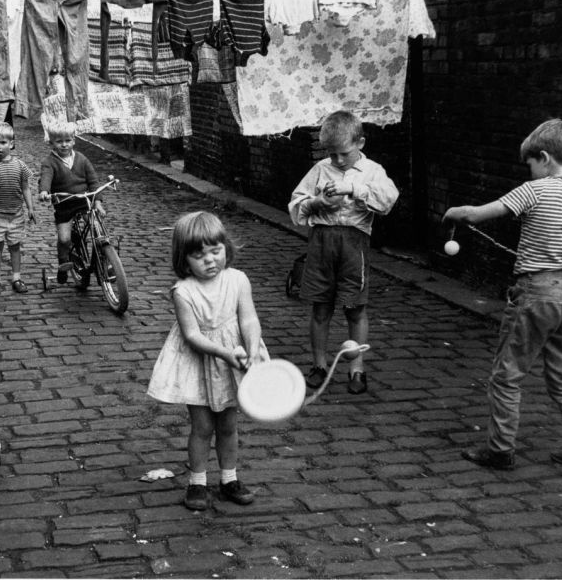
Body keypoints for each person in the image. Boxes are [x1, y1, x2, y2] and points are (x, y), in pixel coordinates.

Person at [443, 119, 562, 475]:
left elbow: (476, 214)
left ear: (544, 158)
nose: (530, 172)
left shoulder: (534, 191)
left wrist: (454, 213)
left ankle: (500, 450)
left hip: (536, 293)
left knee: (507, 374)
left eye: (530, 164)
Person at [147, 211, 268, 510]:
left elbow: (249, 318)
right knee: (202, 426)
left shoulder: (238, 280)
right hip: (200, 363)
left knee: (228, 423)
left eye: (216, 251)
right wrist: (226, 353)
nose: (210, 260)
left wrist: (251, 348)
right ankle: (197, 482)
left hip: (234, 361)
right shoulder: (183, 292)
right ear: (184, 258)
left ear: (226, 247)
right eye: (199, 255)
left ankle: (229, 479)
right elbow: (192, 336)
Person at [287, 110, 399, 395]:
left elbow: (387, 200)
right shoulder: (320, 169)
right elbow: (296, 203)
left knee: (355, 308)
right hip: (321, 242)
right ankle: (319, 364)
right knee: (320, 306)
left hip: (353, 243)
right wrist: (317, 203)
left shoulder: (373, 170)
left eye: (344, 154)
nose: (337, 160)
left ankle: (357, 367)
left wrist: (354, 188)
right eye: (332, 154)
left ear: (360, 142)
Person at [37, 120, 104, 285]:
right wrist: (44, 191)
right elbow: (46, 177)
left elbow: (93, 181)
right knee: (65, 239)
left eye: (68, 140)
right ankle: (63, 263)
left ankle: (105, 258)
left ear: (74, 140)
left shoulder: (81, 158)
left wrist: (98, 202)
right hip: (65, 205)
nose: (64, 145)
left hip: (84, 202)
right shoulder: (49, 162)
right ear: (51, 142)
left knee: (98, 229)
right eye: (59, 141)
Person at [0, 123, 36, 295]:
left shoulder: (20, 165)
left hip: (16, 214)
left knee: (15, 247)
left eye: (2, 143)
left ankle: (16, 277)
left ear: (11, 144)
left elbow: (25, 187)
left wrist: (30, 208)